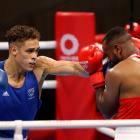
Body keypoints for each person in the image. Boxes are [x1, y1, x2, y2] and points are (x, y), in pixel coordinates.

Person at [0, 24, 98, 139]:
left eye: (36, 51)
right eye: (30, 51)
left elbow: (77, 69)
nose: (34, 56)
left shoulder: (39, 67)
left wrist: (96, 64)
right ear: (14, 50)